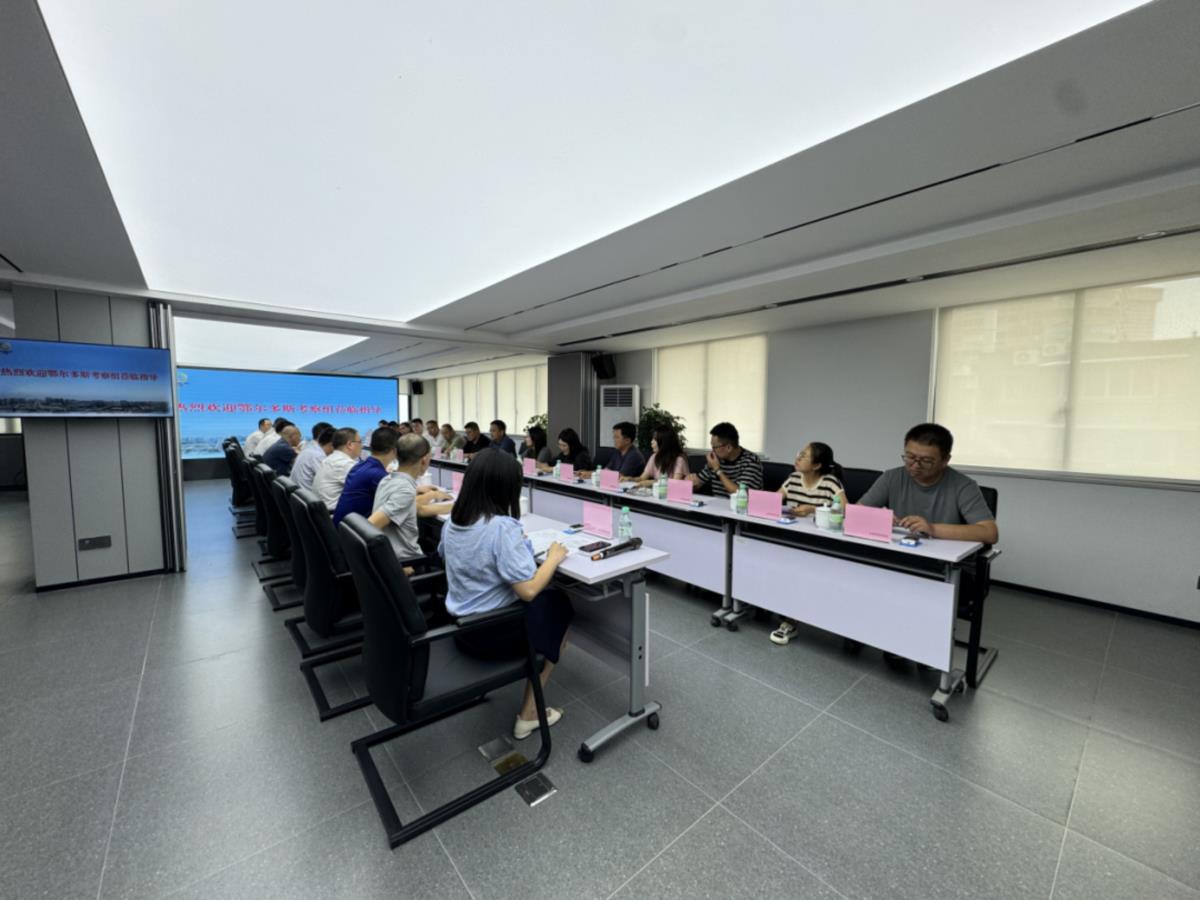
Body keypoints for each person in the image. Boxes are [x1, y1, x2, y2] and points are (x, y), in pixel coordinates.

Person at [439, 449, 573, 740]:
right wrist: (553, 557)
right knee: (559, 606)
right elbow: (528, 590)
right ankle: (529, 715)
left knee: (551, 603)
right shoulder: (501, 527)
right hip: (492, 633)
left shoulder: (451, 522)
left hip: (462, 628)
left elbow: (456, 555)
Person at [859, 423, 998, 545]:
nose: (915, 465)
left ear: (945, 460)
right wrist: (879, 518)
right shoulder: (891, 477)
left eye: (926, 461)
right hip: (900, 550)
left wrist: (932, 529)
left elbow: (990, 533)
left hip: (942, 558)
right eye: (910, 457)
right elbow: (856, 513)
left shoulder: (963, 486)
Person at [769, 443, 847, 646]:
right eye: (799, 453)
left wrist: (813, 509)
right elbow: (772, 500)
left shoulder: (829, 482)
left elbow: (846, 510)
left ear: (817, 465)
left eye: (803, 456)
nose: (798, 458)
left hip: (820, 544)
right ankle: (785, 615)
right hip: (791, 538)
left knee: (797, 572)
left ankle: (793, 619)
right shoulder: (793, 478)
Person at [369, 434, 453, 570]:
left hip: (400, 559)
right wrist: (393, 565)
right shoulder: (405, 490)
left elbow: (417, 509)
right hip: (409, 563)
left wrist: (456, 506)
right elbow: (369, 527)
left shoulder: (387, 480)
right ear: (424, 460)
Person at [333, 426, 398, 525]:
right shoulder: (377, 475)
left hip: (343, 528)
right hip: (354, 531)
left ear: (371, 446)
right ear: (394, 451)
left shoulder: (359, 466)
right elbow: (403, 499)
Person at [690, 422, 763, 497]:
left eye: (715, 447)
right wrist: (690, 483)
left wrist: (717, 470)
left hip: (743, 504)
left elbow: (739, 494)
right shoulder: (716, 459)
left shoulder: (751, 461)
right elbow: (697, 485)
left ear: (729, 448)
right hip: (716, 504)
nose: (712, 451)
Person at [314, 428, 362, 510]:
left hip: (322, 512)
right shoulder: (345, 464)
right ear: (350, 444)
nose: (362, 446)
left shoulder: (330, 459)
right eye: (360, 442)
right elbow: (367, 486)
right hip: (333, 515)